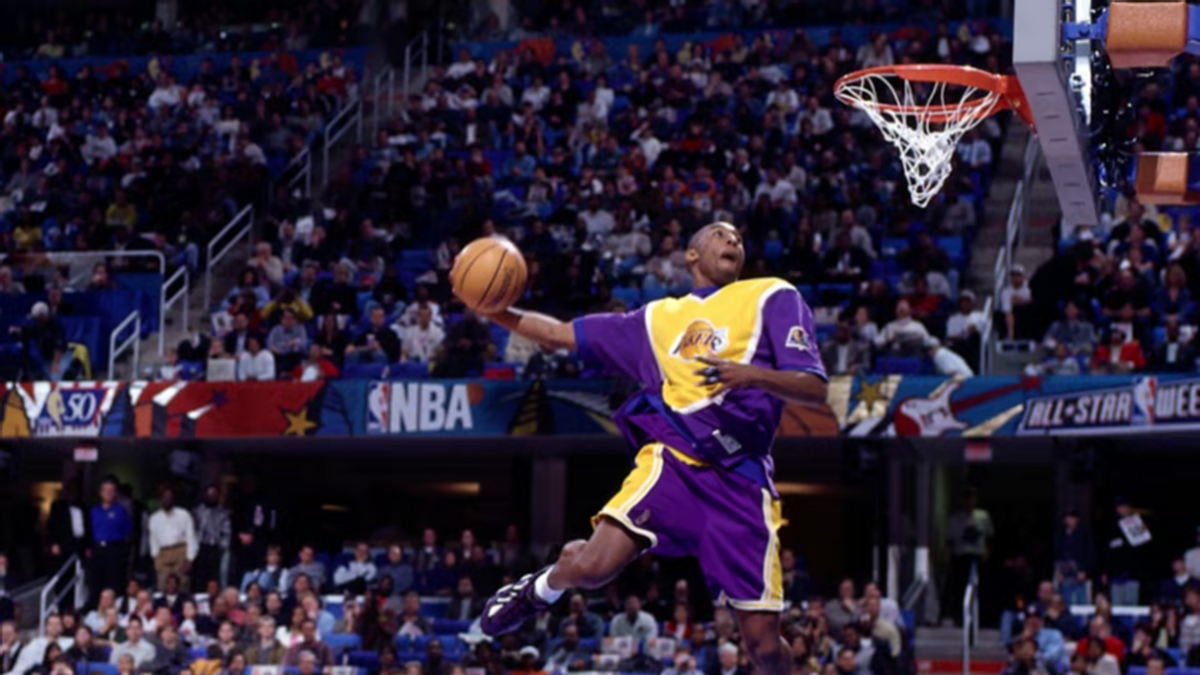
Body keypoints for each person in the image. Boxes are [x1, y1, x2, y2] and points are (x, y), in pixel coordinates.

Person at [476, 223, 828, 675]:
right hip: (674, 461)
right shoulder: (656, 318)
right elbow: (558, 334)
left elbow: (813, 387)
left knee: (764, 648)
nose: (733, 240)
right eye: (719, 234)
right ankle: (539, 589)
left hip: (741, 481)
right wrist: (492, 309)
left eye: (739, 237)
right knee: (593, 567)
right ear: (691, 255)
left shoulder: (773, 295)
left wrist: (751, 375)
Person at [945, 488, 992, 626]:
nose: (969, 502)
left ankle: (981, 618)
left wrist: (987, 552)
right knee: (960, 588)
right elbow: (950, 541)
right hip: (961, 556)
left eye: (971, 499)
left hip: (978, 556)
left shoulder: (983, 517)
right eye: (966, 499)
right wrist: (949, 558)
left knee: (980, 587)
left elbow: (989, 537)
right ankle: (960, 618)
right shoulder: (955, 519)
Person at [89, 477, 133, 608]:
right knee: (96, 582)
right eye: (105, 490)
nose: (108, 493)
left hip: (115, 550)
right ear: (100, 493)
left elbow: (128, 532)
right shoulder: (94, 511)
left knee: (114, 583)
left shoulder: (121, 511)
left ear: (115, 493)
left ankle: (114, 611)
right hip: (97, 550)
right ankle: (95, 611)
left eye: (111, 490)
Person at [148, 487, 197, 592]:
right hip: (163, 553)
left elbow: (191, 537)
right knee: (162, 585)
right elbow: (153, 540)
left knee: (181, 585)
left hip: (180, 551)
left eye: (169, 497)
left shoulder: (184, 515)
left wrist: (190, 558)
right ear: (160, 499)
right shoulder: (154, 518)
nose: (167, 499)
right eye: (164, 497)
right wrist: (155, 558)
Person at [193, 484, 230, 589]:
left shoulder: (222, 513)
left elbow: (226, 532)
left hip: (215, 548)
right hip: (200, 547)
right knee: (199, 577)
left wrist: (222, 547)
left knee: (213, 578)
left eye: (214, 495)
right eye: (209, 494)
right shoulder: (197, 511)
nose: (211, 497)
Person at [7, 615, 72, 675]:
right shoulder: (35, 644)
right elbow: (20, 669)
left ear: (61, 627)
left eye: (57, 624)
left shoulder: (69, 643)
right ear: (46, 626)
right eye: (51, 624)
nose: (54, 627)